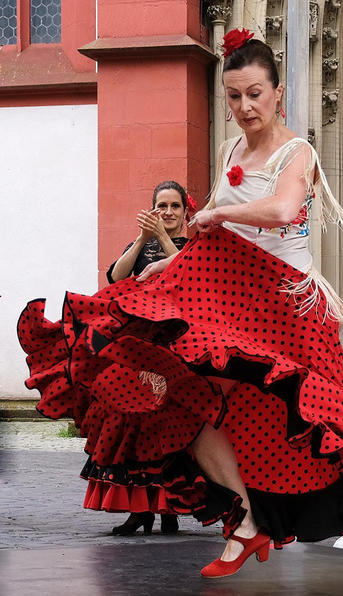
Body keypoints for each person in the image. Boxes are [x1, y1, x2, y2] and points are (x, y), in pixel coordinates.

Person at [18, 29, 343, 580]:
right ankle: (246, 523)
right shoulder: (233, 149)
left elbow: (281, 211)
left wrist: (218, 215)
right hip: (233, 302)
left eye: (254, 93)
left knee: (331, 421)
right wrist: (166, 265)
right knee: (190, 400)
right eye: (233, 96)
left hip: (290, 306)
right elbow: (209, 224)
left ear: (277, 92)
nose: (243, 107)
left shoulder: (297, 152)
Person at [103, 180, 191, 535]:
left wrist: (163, 238)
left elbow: (183, 271)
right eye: (161, 206)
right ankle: (141, 511)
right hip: (138, 347)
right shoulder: (140, 244)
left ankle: (170, 508)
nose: (167, 213)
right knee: (135, 428)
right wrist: (142, 237)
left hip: (175, 345)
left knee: (170, 429)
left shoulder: (189, 245)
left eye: (174, 207)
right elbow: (114, 276)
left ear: (186, 212)